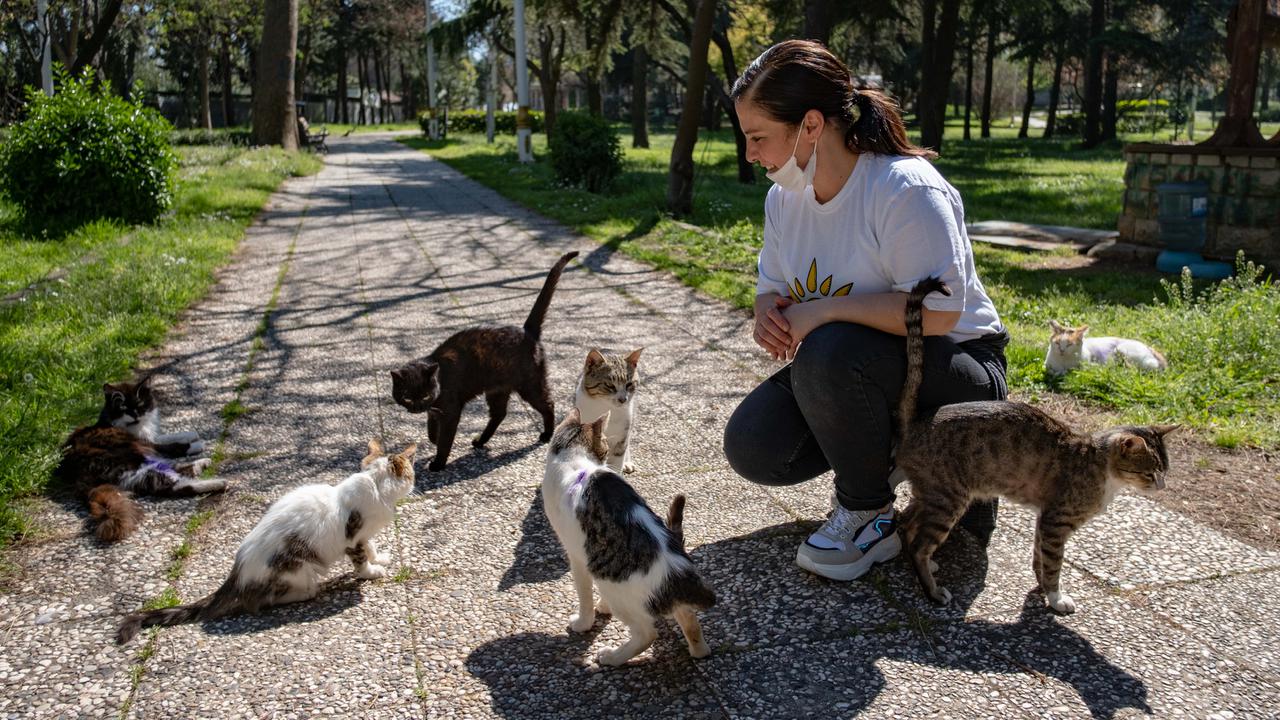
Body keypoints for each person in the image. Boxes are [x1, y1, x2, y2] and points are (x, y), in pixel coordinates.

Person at [722, 40, 1009, 582]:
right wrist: (769, 312)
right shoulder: (783, 200)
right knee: (754, 446)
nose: (750, 154)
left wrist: (822, 312)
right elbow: (772, 287)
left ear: (810, 125)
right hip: (865, 367)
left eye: (758, 137)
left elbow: (944, 314)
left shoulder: (904, 189)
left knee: (832, 348)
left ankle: (868, 514)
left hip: (962, 372)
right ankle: (898, 452)